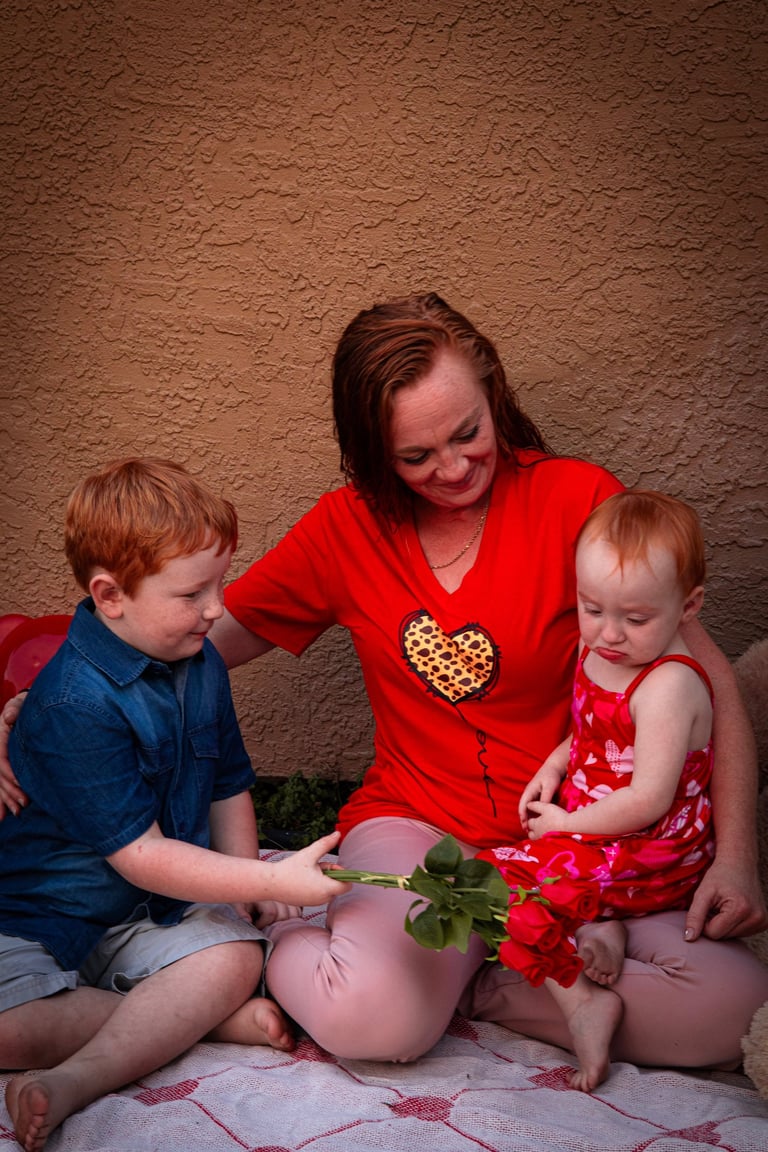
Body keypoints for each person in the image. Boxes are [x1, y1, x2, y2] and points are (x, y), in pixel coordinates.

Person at [1, 296, 766, 1077]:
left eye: (468, 432)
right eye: (416, 455)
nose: (454, 468)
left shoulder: (580, 501)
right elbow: (185, 638)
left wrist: (737, 858)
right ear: (372, 453)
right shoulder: (347, 528)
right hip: (419, 834)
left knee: (732, 1009)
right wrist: (49, 700)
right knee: (371, 1019)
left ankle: (489, 974)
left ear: (494, 393)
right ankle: (420, 959)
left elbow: (701, 679)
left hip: (580, 845)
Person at [0, 458, 348, 1152]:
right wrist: (274, 879)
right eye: (193, 593)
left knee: (236, 958)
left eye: (219, 583)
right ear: (111, 595)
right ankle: (192, 1023)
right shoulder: (74, 702)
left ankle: (81, 1073)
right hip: (38, 915)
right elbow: (143, 855)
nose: (216, 609)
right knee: (6, 1029)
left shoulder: (200, 660)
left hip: (149, 913)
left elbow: (227, 782)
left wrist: (250, 888)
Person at [477, 489, 716, 1091]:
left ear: (688, 606)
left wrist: (563, 825)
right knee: (500, 883)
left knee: (487, 883)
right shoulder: (604, 647)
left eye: (636, 619)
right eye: (591, 609)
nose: (610, 633)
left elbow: (647, 800)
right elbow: (591, 730)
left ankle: (582, 998)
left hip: (650, 847)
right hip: (600, 825)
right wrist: (556, 764)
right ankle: (601, 923)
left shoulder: (667, 686)